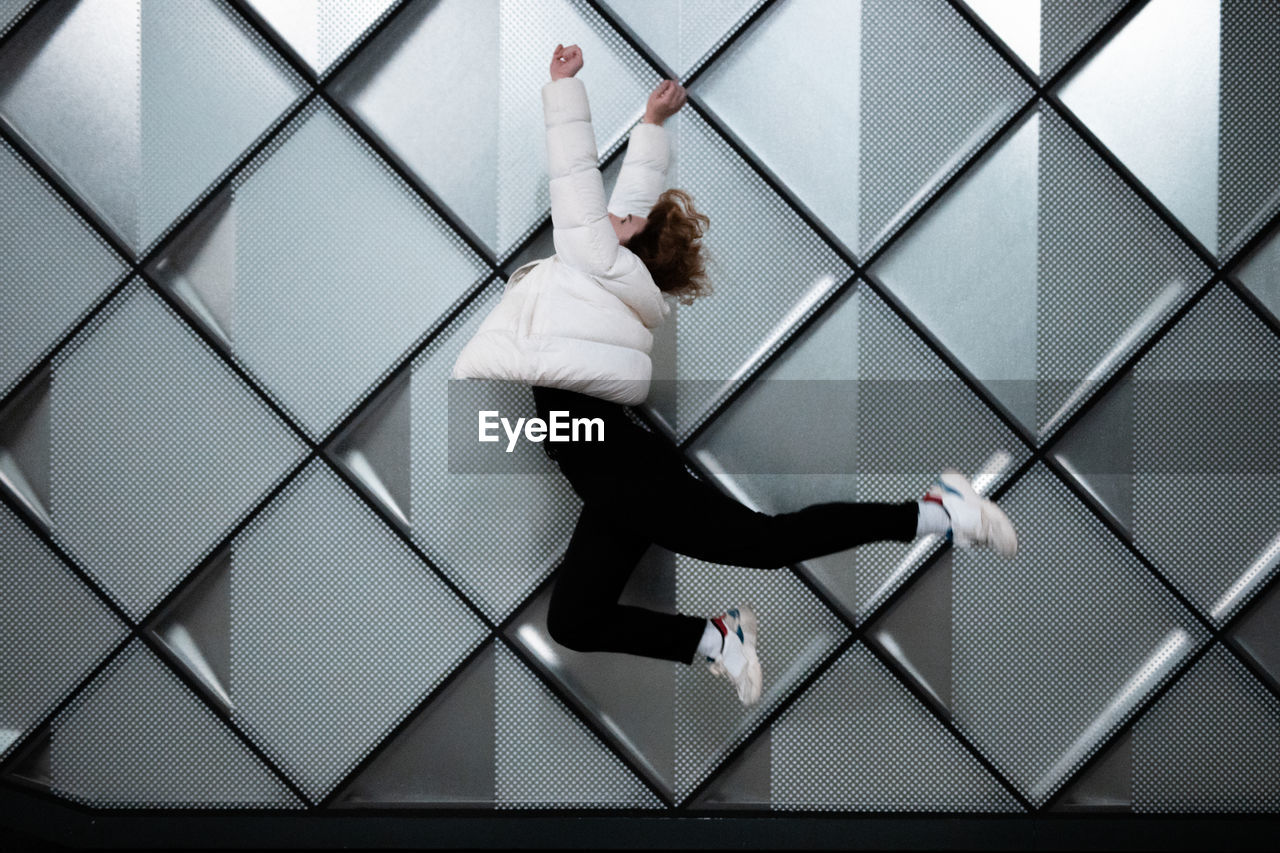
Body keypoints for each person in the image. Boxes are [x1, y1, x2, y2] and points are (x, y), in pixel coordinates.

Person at [452, 43, 1018, 706]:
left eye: (626, 219)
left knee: (768, 542)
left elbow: (572, 170)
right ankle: (717, 638)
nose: (619, 209)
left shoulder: (594, 258)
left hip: (627, 479)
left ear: (624, 242)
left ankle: (932, 511)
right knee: (574, 619)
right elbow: (635, 195)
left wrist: (563, 87)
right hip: (613, 481)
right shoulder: (618, 277)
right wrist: (654, 124)